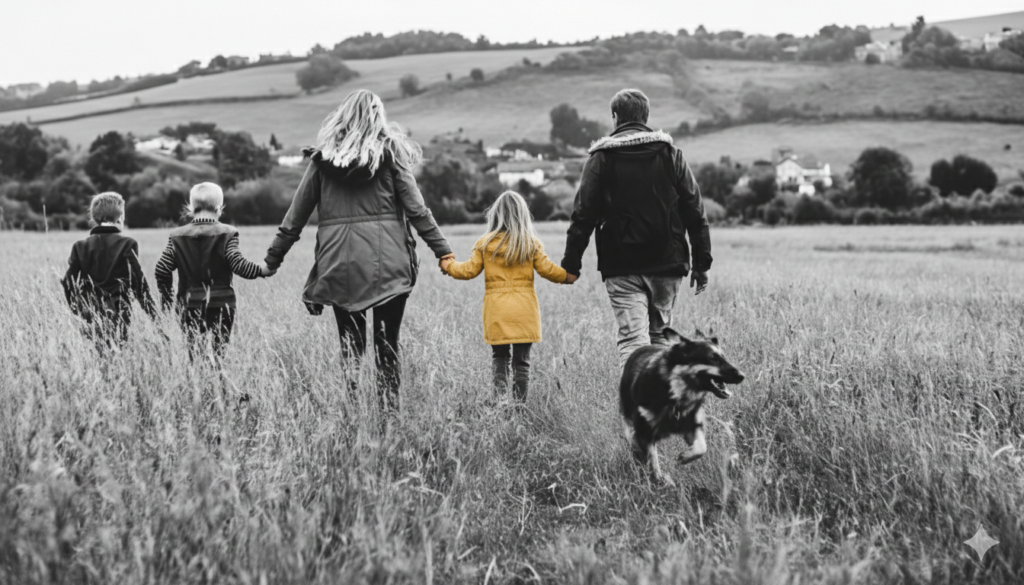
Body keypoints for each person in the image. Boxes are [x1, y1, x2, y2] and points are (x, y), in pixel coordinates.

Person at [263, 89, 453, 413]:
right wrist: (443, 252)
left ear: (343, 117)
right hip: (390, 266)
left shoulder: (321, 162)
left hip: (340, 264)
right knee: (386, 346)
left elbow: (294, 218)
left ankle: (353, 414)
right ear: (378, 118)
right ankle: (388, 417)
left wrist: (272, 259)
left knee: (351, 347)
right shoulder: (390, 157)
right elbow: (418, 211)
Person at [560, 88, 713, 368]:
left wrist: (571, 265)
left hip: (621, 264)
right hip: (668, 262)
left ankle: (639, 395)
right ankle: (663, 396)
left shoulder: (600, 158)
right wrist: (702, 264)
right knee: (661, 339)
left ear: (615, 117)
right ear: (646, 117)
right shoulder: (672, 155)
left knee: (632, 341)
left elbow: (583, 215)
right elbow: (695, 211)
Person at [442, 191, 574, 402]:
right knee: (522, 363)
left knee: (500, 360)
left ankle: (501, 405)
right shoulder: (530, 243)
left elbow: (467, 271)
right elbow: (549, 270)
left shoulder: (484, 244)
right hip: (524, 312)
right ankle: (519, 408)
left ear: (495, 215)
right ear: (523, 215)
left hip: (497, 312)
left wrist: (448, 265)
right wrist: (567, 276)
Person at [154, 182, 272, 361]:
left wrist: (167, 299)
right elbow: (238, 265)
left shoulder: (177, 236)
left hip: (188, 304)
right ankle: (217, 375)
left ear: (191, 207)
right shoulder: (228, 233)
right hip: (222, 304)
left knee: (195, 356)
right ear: (219, 208)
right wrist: (262, 270)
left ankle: (199, 377)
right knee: (219, 355)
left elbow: (162, 269)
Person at [62, 192, 156, 346]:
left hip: (89, 315)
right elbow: (139, 284)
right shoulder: (128, 244)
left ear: (95, 218)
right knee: (117, 352)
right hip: (119, 314)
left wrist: (78, 310)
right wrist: (155, 317)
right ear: (119, 218)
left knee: (92, 352)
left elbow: (67, 282)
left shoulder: (80, 246)